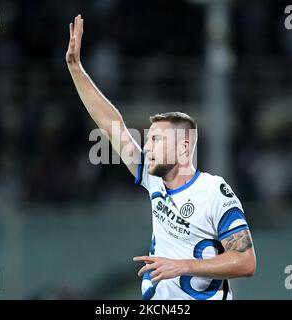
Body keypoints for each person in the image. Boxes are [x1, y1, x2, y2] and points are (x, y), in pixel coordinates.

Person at [66, 14, 256, 300]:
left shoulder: (213, 191)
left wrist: (181, 267)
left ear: (182, 148)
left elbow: (246, 262)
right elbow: (112, 125)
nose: (148, 145)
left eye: (156, 139)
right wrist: (76, 68)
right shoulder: (155, 182)